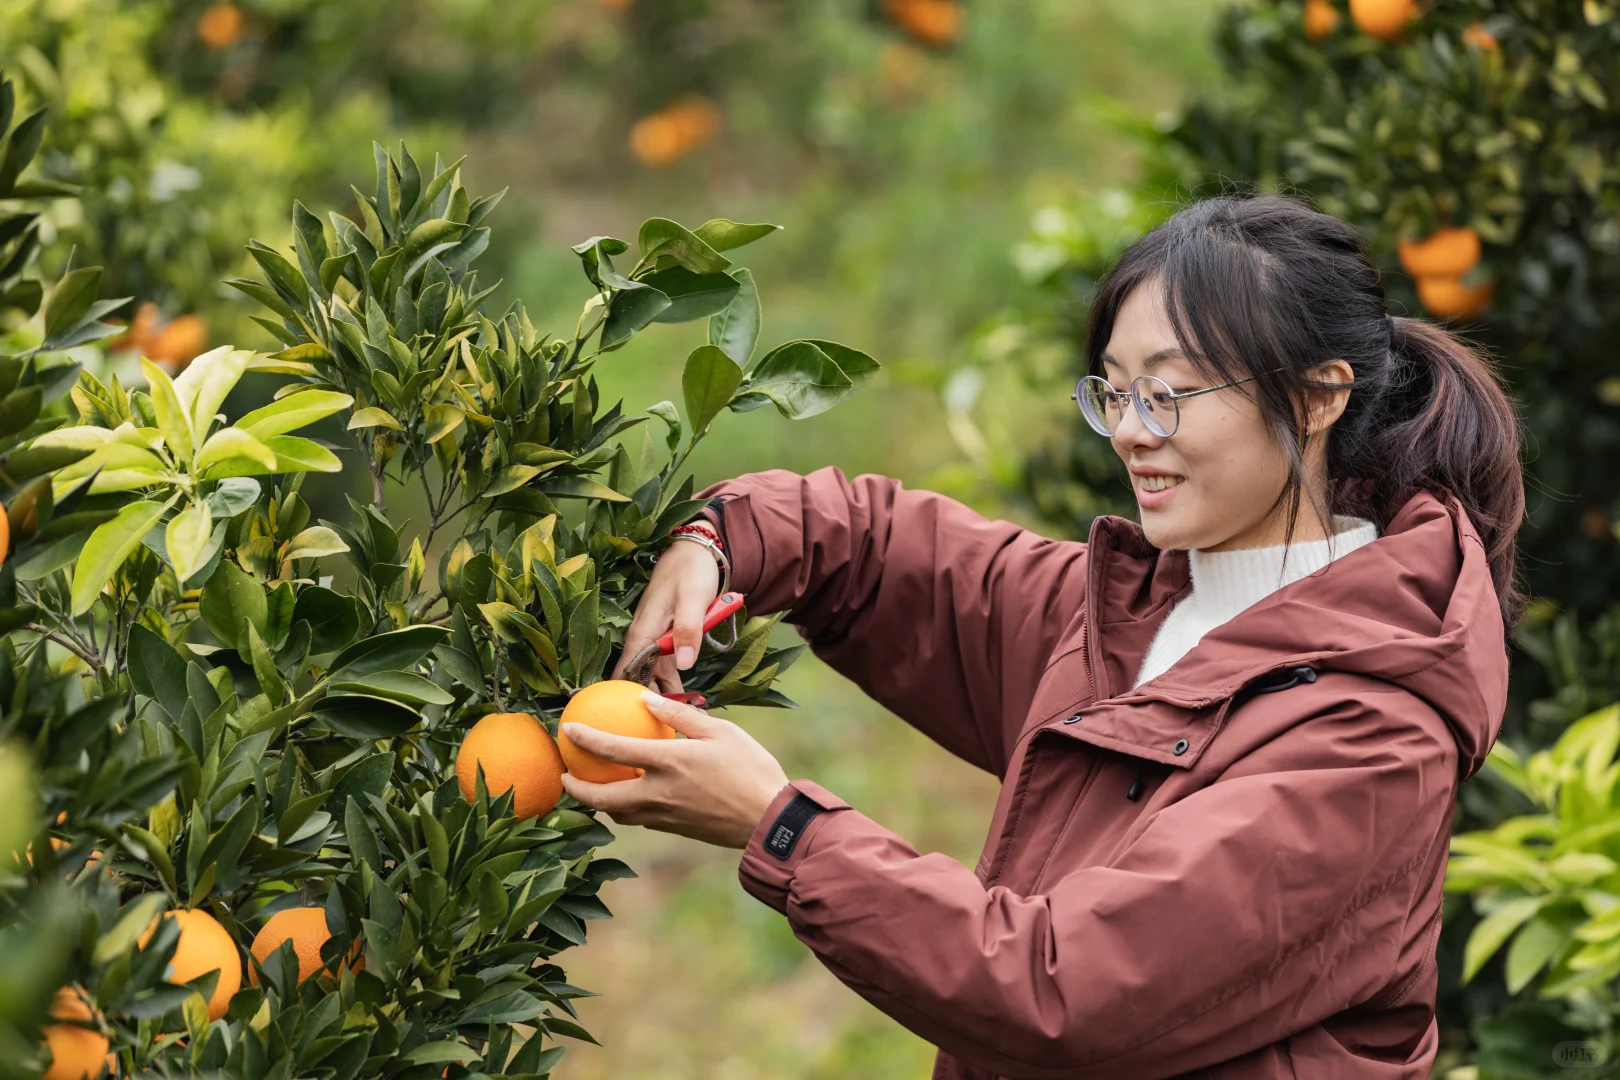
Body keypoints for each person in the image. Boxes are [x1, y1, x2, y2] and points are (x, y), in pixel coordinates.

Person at [557, 193, 1524, 1078]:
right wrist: (715, 540)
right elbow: (877, 548)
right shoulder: (1130, 616)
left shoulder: (1371, 737)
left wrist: (783, 826)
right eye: (1112, 391)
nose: (1132, 433)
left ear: (1318, 396)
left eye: (1171, 395)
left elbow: (1068, 990)